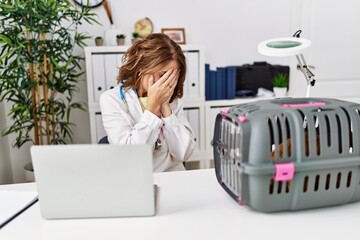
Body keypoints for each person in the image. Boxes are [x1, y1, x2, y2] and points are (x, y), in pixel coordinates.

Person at [99, 33, 196, 172]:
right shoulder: (112, 100)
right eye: (163, 76)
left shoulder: (173, 102)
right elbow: (131, 157)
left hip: (175, 178)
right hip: (137, 180)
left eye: (172, 77)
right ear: (142, 68)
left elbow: (184, 153)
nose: (168, 83)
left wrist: (164, 106)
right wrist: (152, 108)